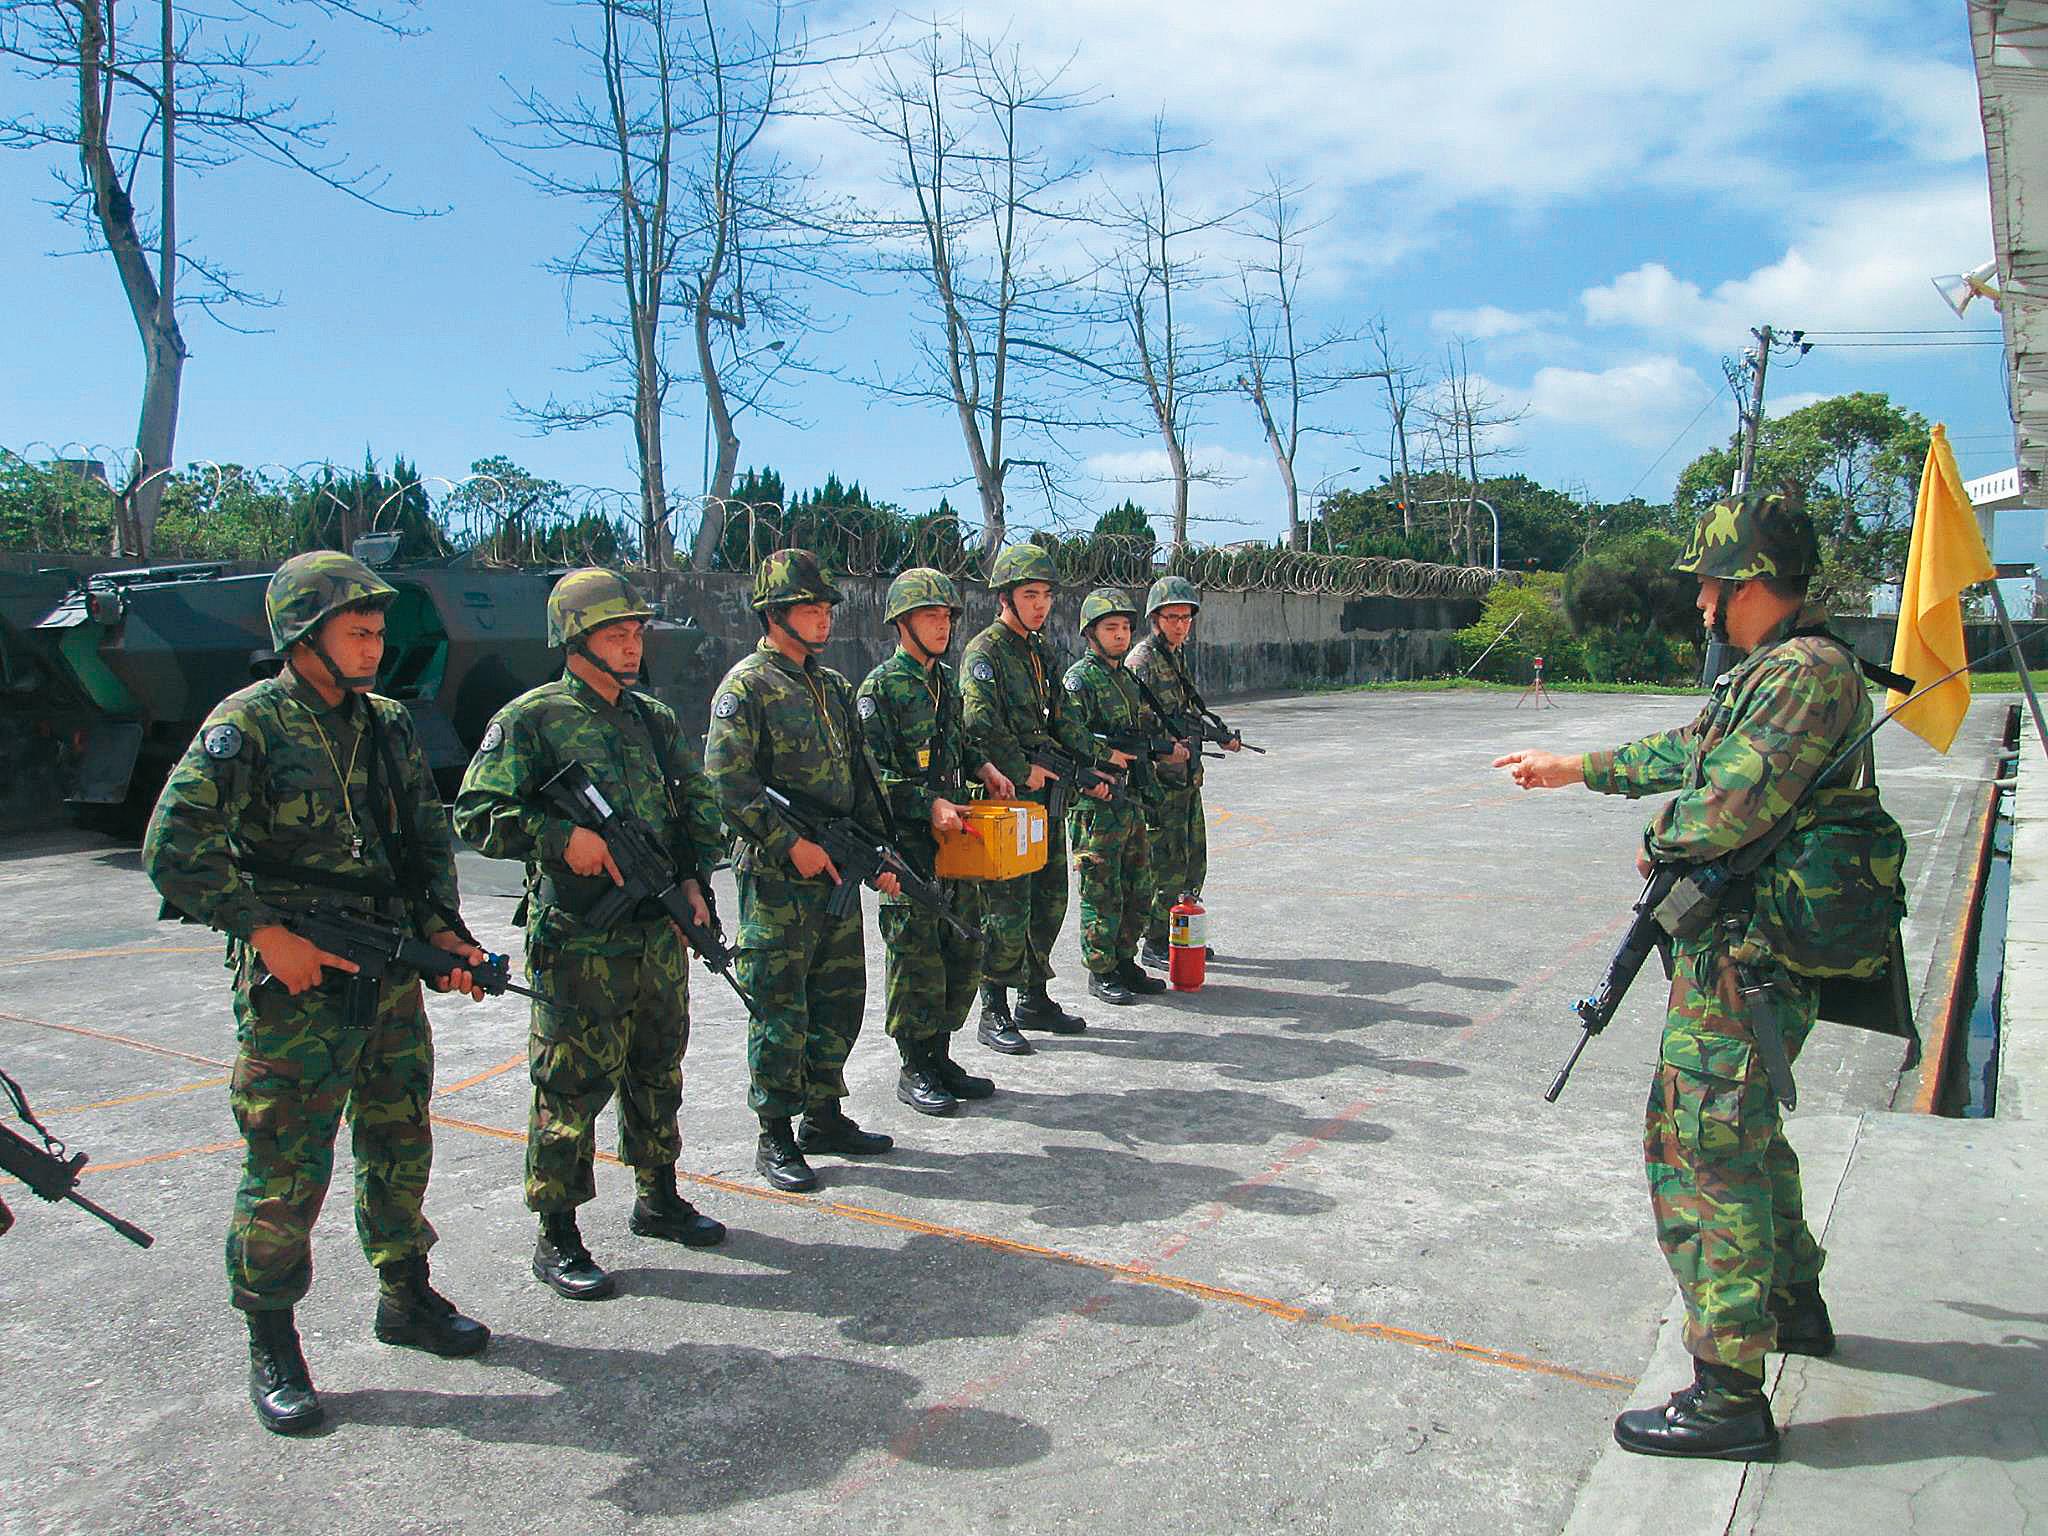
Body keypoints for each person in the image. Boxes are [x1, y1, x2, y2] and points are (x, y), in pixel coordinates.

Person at [1493, 490, 1860, 1462]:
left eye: (1708, 582)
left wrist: (1659, 837)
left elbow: (1729, 801)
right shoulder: (1776, 670)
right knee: (1744, 1134)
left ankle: (1727, 1394)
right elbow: (1695, 748)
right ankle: (1792, 1303)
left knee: (1701, 1149)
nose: (1700, 601)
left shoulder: (1804, 673)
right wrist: (1575, 766)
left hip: (1750, 957)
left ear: (1748, 581)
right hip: (1741, 949)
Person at [143, 551, 491, 1437]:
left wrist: (444, 937)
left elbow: (423, 845)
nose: (375, 648)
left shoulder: (389, 725)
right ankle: (273, 1340)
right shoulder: (249, 723)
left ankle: (405, 1294)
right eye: (358, 633)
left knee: (399, 1136)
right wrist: (265, 933)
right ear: (304, 638)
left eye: (378, 633)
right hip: (296, 988)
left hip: (386, 973)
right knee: (287, 1163)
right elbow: (173, 848)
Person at [453, 568, 728, 1304]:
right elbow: (475, 813)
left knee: (657, 1068)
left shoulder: (653, 720)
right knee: (569, 1086)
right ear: (574, 640)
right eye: (615, 633)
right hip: (579, 938)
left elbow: (695, 806)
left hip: (654, 931)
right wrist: (560, 838)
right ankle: (558, 1234)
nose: (633, 645)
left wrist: (695, 879)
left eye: (636, 632)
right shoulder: (532, 719)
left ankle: (658, 1195)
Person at [704, 550, 901, 1192]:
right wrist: (790, 845)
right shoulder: (745, 688)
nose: (823, 619)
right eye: (809, 608)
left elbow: (861, 777)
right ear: (774, 615)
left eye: (825, 608)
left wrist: (878, 851)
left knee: (839, 997)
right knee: (780, 1004)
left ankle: (824, 1115)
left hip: (835, 870)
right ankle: (775, 1133)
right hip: (777, 879)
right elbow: (728, 784)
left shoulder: (834, 687)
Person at [856, 568, 1018, 1114]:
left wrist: (986, 768)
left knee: (960, 949)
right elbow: (873, 777)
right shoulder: (880, 689)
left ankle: (941, 1056)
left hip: (956, 843)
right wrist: (927, 805)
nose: (943, 625)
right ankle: (915, 1065)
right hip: (909, 848)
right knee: (916, 957)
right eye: (930, 616)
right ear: (902, 623)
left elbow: (962, 742)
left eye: (947, 616)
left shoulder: (945, 681)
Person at [959, 542, 1113, 1051]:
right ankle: (993, 1009)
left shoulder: (1040, 650)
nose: (1041, 604)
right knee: (1005, 909)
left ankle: (1034, 996)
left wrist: (1095, 759)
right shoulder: (985, 652)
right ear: (1005, 597)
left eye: (1046, 595)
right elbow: (979, 722)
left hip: (1046, 798)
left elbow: (1063, 715)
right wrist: (1024, 770)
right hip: (1005, 797)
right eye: (1030, 595)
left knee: (1049, 900)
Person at [1060, 588, 1185, 1003]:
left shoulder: (1126, 679)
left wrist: (1159, 751)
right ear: (1090, 633)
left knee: (1137, 886)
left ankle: (1126, 961)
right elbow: (1069, 736)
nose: (1120, 635)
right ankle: (1101, 970)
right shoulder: (1079, 680)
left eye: (1126, 628)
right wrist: (1104, 755)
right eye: (1110, 627)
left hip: (1129, 799)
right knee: (1101, 890)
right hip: (1097, 803)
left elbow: (1140, 734)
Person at [1128, 576, 1237, 969]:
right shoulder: (1141, 663)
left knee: (1193, 861)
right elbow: (1133, 727)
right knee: (1165, 865)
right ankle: (1156, 940)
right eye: (1172, 617)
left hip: (1186, 779)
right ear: (1155, 619)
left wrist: (1217, 734)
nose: (1180, 625)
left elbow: (1185, 713)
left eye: (1186, 618)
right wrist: (1164, 750)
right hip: (1160, 785)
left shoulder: (1176, 657)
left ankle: (1181, 933)